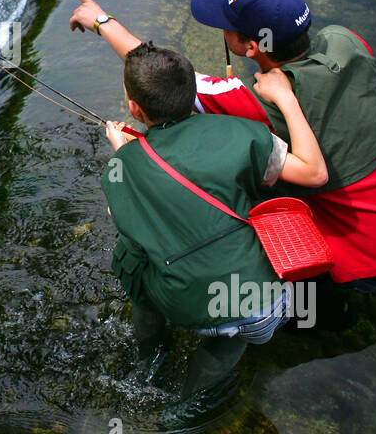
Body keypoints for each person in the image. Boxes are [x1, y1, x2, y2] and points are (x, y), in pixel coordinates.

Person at [70, 0, 376, 295]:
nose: (221, 28)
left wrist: (101, 21)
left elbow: (158, 78)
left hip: (365, 268)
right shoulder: (346, 41)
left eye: (226, 26)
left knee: (221, 179)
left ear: (251, 48)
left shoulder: (248, 103)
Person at [99, 42, 327, 395]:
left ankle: (150, 358)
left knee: (130, 253)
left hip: (186, 306)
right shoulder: (244, 133)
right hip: (263, 305)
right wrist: (288, 101)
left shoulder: (121, 167)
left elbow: (128, 220)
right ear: (193, 92)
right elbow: (313, 174)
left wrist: (127, 156)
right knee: (231, 335)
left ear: (134, 108)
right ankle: (189, 403)